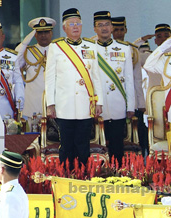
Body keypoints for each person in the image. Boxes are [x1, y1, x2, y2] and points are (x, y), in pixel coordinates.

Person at [45, 8, 103, 167]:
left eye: (78, 23)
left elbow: (96, 76)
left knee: (83, 145)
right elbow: (50, 78)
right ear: (64, 28)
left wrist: (99, 102)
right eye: (71, 24)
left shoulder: (91, 46)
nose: (76, 27)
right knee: (66, 146)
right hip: (65, 105)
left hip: (86, 104)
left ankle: (84, 175)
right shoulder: (56, 47)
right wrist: (51, 103)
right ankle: (65, 176)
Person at [92, 11, 135, 165]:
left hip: (118, 103)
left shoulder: (123, 48)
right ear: (95, 28)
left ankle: (117, 175)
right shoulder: (88, 48)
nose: (104, 28)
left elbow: (129, 79)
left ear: (112, 27)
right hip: (96, 104)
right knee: (96, 145)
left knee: (117, 145)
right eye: (100, 25)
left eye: (107, 25)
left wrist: (131, 105)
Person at [112, 16, 148, 156]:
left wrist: (140, 102)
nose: (119, 33)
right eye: (116, 30)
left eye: (122, 29)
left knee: (139, 135)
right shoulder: (101, 49)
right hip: (113, 100)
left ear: (126, 30)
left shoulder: (132, 50)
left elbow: (137, 79)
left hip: (130, 100)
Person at [15, 17, 56, 120]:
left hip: (55, 103)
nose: (43, 35)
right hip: (33, 104)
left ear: (51, 33)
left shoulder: (58, 50)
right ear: (35, 34)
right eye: (39, 32)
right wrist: (25, 42)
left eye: (46, 32)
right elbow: (15, 61)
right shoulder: (27, 52)